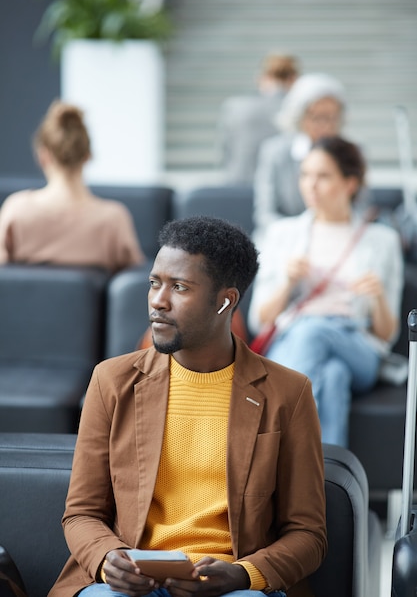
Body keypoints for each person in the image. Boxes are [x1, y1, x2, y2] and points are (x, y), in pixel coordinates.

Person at [49, 215, 327, 597]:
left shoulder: (288, 393)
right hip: (130, 585)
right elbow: (81, 513)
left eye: (179, 287)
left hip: (232, 587)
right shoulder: (111, 381)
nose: (158, 301)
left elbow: (308, 534)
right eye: (154, 283)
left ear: (225, 301)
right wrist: (108, 558)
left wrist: (244, 574)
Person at [248, 136, 404, 447]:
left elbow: (386, 335)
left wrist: (377, 298)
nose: (310, 185)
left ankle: (285, 458)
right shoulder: (282, 234)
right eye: (305, 175)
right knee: (332, 377)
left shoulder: (381, 240)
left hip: (357, 342)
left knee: (315, 332)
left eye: (323, 176)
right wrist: (288, 283)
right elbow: (259, 320)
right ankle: (326, 487)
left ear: (350, 183)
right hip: (294, 337)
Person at [0, 100, 145, 272]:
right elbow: (135, 283)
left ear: (43, 156)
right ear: (87, 156)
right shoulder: (113, 219)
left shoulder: (16, 209)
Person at [252, 72, 346, 239]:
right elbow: (265, 214)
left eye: (333, 118)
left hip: (337, 236)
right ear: (300, 116)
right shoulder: (274, 151)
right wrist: (305, 235)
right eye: (319, 117)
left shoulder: (350, 151)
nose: (327, 126)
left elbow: (360, 206)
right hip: (284, 238)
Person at [217, 54, 300, 186]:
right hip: (282, 192)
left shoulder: (234, 107)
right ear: (294, 79)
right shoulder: (299, 110)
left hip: (237, 186)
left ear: (260, 78)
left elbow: (226, 153)